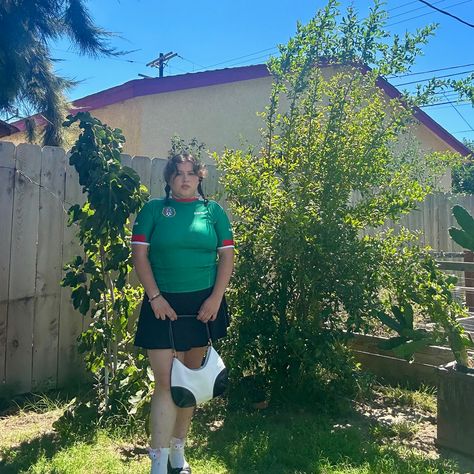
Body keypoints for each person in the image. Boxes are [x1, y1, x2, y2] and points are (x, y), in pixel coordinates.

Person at [131, 153, 234, 474]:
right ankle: (158, 465)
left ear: (200, 178)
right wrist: (156, 297)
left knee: (189, 383)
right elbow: (139, 256)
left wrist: (216, 299)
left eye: (191, 174)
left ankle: (178, 454)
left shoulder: (214, 212)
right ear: (169, 179)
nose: (185, 179)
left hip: (203, 307)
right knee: (165, 383)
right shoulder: (153, 210)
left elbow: (227, 260)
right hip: (162, 306)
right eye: (178, 174)